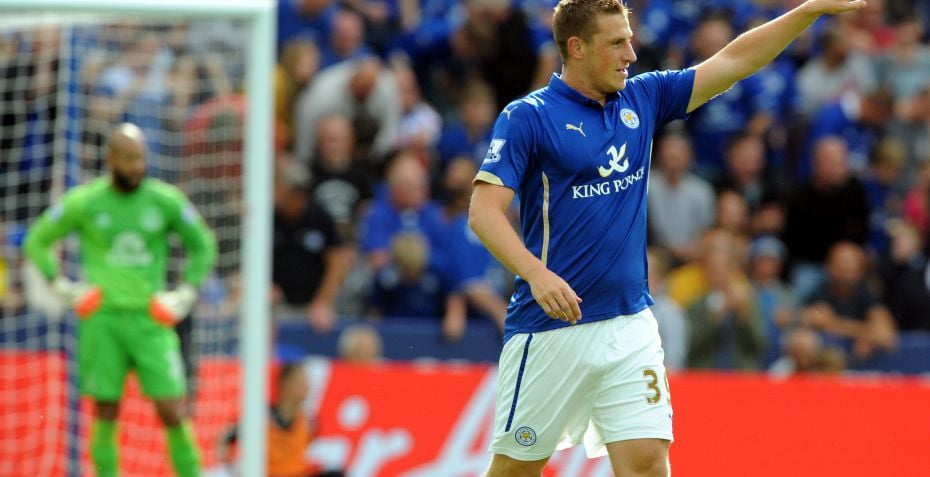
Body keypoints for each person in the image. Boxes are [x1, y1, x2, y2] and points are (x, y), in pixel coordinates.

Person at [467, 1, 867, 475]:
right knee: (515, 470)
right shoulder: (528, 116)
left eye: (630, 40)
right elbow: (483, 212)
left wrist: (810, 10)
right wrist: (536, 274)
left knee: (648, 462)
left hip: (630, 323)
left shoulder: (644, 97)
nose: (631, 54)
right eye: (617, 43)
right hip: (552, 328)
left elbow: (735, 60)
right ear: (576, 48)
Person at [22, 123, 217, 477]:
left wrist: (186, 293)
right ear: (110, 159)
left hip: (150, 318)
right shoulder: (86, 201)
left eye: (140, 158)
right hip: (103, 318)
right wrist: (63, 287)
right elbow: (37, 240)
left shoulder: (165, 200)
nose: (136, 166)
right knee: (106, 411)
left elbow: (203, 244)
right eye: (128, 158)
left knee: (172, 409)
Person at [219, 363, 340, 477]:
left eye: (307, 383)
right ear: (285, 384)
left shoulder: (309, 421)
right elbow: (226, 439)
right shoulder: (261, 418)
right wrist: (234, 471)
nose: (307, 387)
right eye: (300, 382)